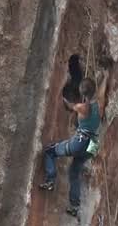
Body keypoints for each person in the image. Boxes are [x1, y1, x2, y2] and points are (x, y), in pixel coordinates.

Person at [39, 70, 108, 217]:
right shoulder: (99, 106)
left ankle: (50, 180)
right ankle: (74, 206)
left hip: (80, 142)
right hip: (92, 146)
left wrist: (62, 97)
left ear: (82, 92)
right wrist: (105, 78)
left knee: (50, 151)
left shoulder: (82, 107)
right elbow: (100, 94)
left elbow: (69, 106)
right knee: (74, 172)